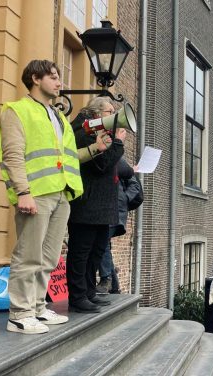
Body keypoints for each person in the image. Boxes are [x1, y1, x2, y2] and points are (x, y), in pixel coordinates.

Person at [0, 60, 83, 334]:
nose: (60, 83)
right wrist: (23, 192)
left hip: (61, 192)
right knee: (28, 254)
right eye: (54, 77)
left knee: (48, 257)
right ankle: (19, 314)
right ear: (35, 78)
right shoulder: (16, 111)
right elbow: (12, 155)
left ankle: (36, 307)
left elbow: (65, 157)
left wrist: (94, 149)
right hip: (34, 194)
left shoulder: (58, 117)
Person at [66, 97, 125, 313]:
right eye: (109, 111)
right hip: (87, 204)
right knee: (81, 252)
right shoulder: (84, 132)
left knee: (96, 251)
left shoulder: (99, 132)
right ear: (96, 113)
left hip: (100, 205)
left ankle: (89, 292)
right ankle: (77, 296)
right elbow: (102, 165)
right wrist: (117, 142)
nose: (113, 115)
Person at [96, 159, 138, 294]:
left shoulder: (118, 161)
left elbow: (135, 186)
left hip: (115, 211)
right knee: (104, 244)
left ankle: (106, 279)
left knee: (101, 242)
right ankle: (113, 286)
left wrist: (123, 199)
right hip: (102, 210)